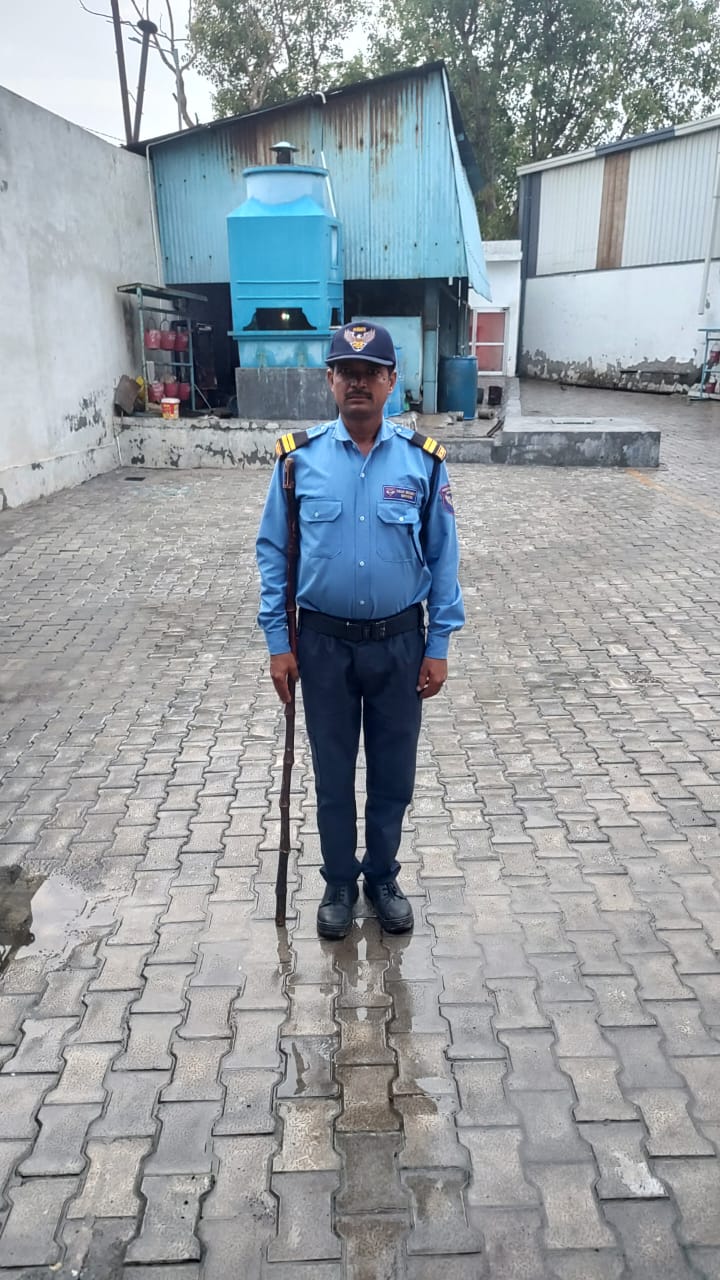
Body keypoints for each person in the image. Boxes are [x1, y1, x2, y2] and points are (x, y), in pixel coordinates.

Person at [256, 322, 465, 940]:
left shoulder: (421, 463)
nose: (357, 383)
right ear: (329, 380)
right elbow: (274, 553)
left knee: (393, 773)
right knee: (332, 772)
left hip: (401, 643)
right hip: (322, 646)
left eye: (370, 373)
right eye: (345, 372)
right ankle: (340, 883)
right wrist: (278, 643)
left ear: (390, 382)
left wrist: (439, 644)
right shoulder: (299, 460)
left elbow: (444, 555)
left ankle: (382, 876)